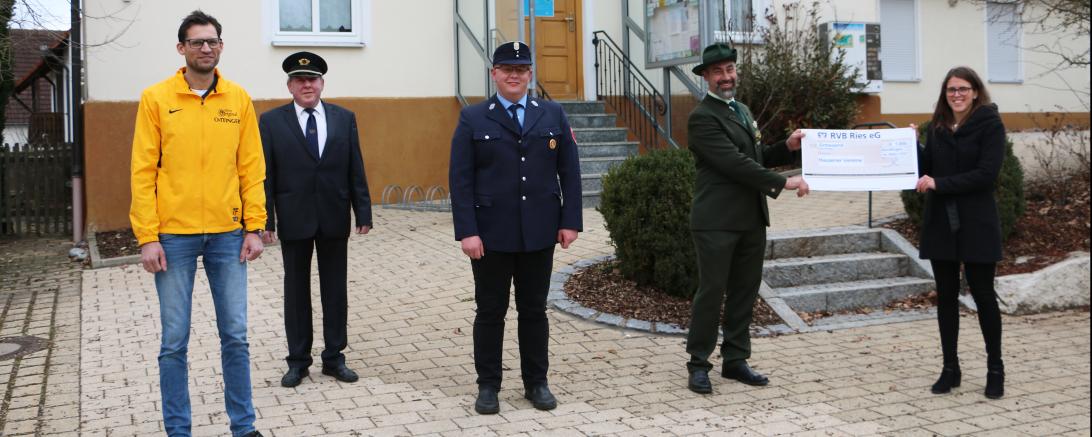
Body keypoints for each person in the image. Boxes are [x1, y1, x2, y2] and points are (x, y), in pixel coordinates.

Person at [129, 10, 266, 437]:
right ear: (181, 48)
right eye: (197, 42)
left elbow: (251, 167)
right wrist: (147, 236)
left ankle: (243, 427)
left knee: (236, 336)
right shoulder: (156, 98)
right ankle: (178, 430)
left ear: (221, 46)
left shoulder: (238, 99)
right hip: (173, 237)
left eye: (212, 41)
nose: (206, 48)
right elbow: (142, 171)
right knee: (174, 341)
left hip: (227, 235)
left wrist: (254, 226)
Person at [448, 41, 582, 414]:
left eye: (521, 70)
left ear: (529, 75)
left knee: (534, 310)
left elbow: (569, 171)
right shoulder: (473, 117)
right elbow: (460, 179)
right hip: (491, 234)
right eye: (507, 69)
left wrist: (570, 221)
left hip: (539, 232)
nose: (514, 75)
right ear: (494, 74)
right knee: (490, 311)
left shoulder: (552, 113)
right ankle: (488, 386)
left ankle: (536, 383)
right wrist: (467, 231)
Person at [684, 42, 809, 394]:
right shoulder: (702, 117)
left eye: (730, 69)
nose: (726, 77)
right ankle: (698, 363)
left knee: (744, 292)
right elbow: (733, 163)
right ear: (706, 77)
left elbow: (754, 155)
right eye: (718, 72)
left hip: (751, 218)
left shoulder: (741, 110)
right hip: (717, 221)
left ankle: (735, 359)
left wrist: (786, 147)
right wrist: (782, 182)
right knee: (712, 293)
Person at [259, 51, 372, 388]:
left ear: (322, 83)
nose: (306, 85)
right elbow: (265, 175)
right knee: (296, 292)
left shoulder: (344, 118)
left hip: (334, 216)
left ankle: (334, 358)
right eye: (299, 80)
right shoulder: (271, 121)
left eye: (312, 80)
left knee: (335, 290)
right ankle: (298, 361)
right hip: (294, 218)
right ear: (289, 86)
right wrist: (266, 220)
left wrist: (363, 211)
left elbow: (355, 167)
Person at [915, 66, 1006, 399]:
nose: (957, 95)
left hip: (977, 221)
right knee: (946, 297)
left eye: (963, 89)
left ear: (975, 91)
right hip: (941, 221)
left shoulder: (990, 124)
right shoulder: (937, 126)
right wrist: (911, 146)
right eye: (951, 89)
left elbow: (986, 174)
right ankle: (950, 368)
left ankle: (995, 369)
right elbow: (927, 169)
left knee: (983, 295)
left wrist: (940, 184)